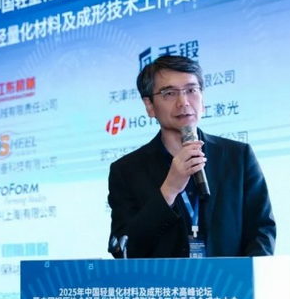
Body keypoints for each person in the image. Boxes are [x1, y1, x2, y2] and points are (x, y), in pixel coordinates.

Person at [107, 55, 275, 258]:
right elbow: (124, 248)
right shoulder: (126, 170)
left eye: (191, 90)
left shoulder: (237, 156)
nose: (183, 102)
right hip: (164, 279)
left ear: (202, 99)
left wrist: (246, 274)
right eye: (169, 93)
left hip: (228, 278)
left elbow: (262, 230)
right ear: (149, 106)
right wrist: (169, 190)